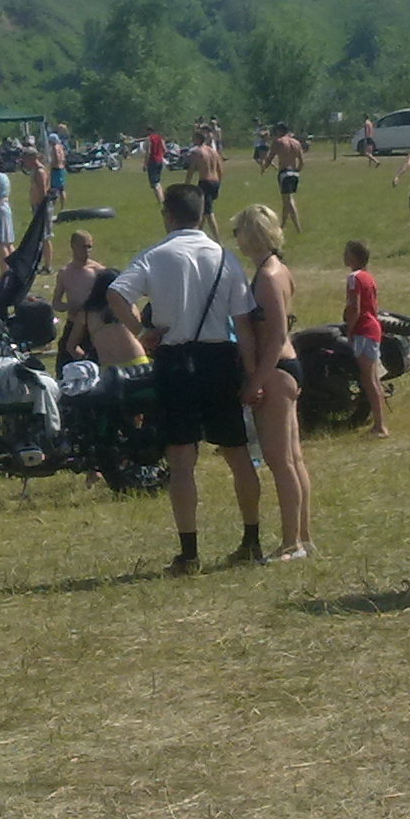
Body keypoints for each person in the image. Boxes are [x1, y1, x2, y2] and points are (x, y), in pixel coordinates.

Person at [109, 183, 262, 573]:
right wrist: (251, 375)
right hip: (219, 358)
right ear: (201, 214)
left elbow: (116, 294)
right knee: (237, 453)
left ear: (168, 215)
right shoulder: (224, 257)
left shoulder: (155, 255)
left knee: (181, 460)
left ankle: (189, 551)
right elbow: (244, 325)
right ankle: (251, 538)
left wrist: (141, 332)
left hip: (175, 360)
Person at [234, 205, 311, 562]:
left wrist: (256, 380)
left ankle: (291, 542)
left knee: (280, 461)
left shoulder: (267, 276)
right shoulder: (280, 269)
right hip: (287, 365)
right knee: (294, 458)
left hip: (276, 368)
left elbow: (277, 332)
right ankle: (303, 536)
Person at [340, 238, 391, 439]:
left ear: (354, 256)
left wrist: (350, 329)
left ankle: (380, 426)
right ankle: (379, 422)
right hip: (373, 327)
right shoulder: (368, 277)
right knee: (372, 378)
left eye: (347, 252)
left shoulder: (354, 278)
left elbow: (355, 307)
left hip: (363, 330)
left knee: (368, 379)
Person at [54, 228, 103, 363]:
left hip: (93, 327)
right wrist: (70, 306)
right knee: (64, 362)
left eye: (89, 247)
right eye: (83, 247)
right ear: (73, 246)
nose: (87, 251)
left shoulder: (98, 271)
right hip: (73, 323)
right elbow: (56, 303)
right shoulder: (65, 273)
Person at [184, 130, 226, 236]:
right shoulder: (213, 151)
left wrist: (186, 184)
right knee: (203, 210)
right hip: (215, 181)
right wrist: (219, 183)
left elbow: (191, 170)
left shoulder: (197, 152)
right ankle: (197, 233)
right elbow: (220, 169)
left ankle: (217, 239)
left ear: (198, 139)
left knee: (209, 213)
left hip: (205, 181)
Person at [271, 124, 306, 231]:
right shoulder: (296, 143)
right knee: (285, 200)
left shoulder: (279, 142)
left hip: (284, 172)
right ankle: (283, 225)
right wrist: (297, 170)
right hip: (294, 173)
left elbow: (270, 157)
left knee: (289, 200)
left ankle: (298, 227)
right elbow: (302, 161)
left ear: (280, 131)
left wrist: (264, 167)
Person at [144, 126, 169, 202]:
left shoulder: (149, 139)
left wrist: (145, 163)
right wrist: (160, 155)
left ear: (148, 131)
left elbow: (148, 152)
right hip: (160, 161)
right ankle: (160, 199)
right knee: (156, 181)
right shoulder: (160, 138)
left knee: (155, 183)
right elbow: (165, 149)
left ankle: (161, 200)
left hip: (152, 161)